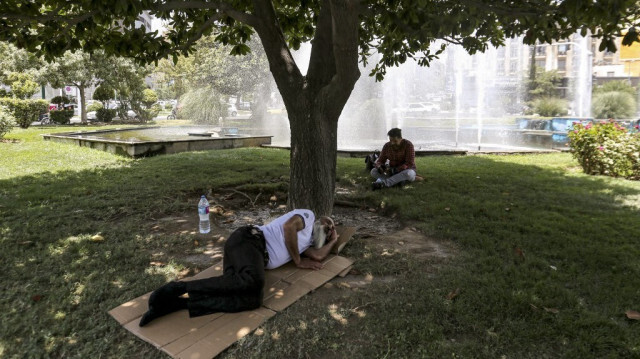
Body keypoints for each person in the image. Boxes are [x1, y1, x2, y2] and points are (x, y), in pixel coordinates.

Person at [139, 209, 338, 327]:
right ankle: (176, 288)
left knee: (252, 299)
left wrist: (333, 240)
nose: (330, 228)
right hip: (249, 239)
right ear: (321, 218)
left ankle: (173, 305)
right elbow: (288, 227)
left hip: (250, 256)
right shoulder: (308, 216)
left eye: (330, 231)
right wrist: (298, 261)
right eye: (329, 224)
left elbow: (319, 256)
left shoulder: (306, 244)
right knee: (253, 281)